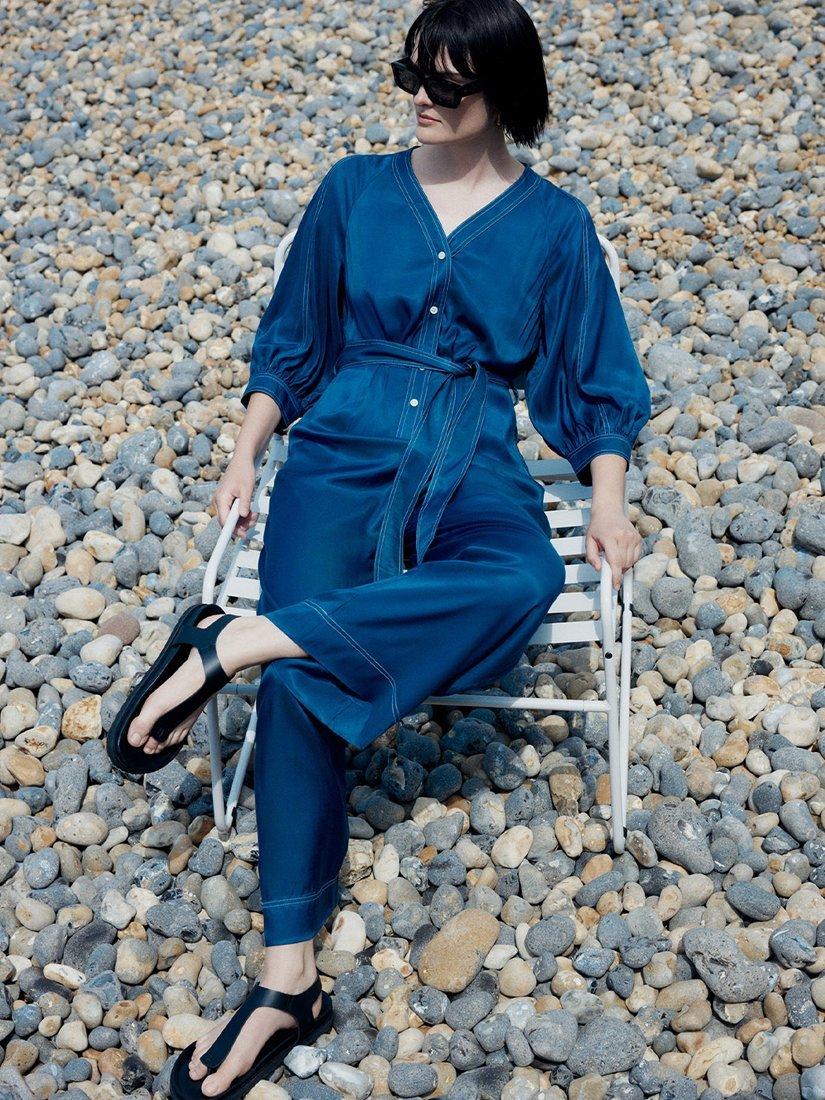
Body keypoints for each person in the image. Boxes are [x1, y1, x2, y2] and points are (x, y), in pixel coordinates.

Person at [113, 0, 651, 1094]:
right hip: (341, 446)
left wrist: (607, 501)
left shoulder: (554, 225)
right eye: (412, 74)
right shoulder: (354, 190)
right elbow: (293, 338)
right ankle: (286, 981)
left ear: (505, 93)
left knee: (521, 573)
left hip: (473, 455)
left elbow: (596, 376)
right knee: (299, 679)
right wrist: (246, 450)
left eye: (447, 85)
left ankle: (232, 640)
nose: (421, 98)